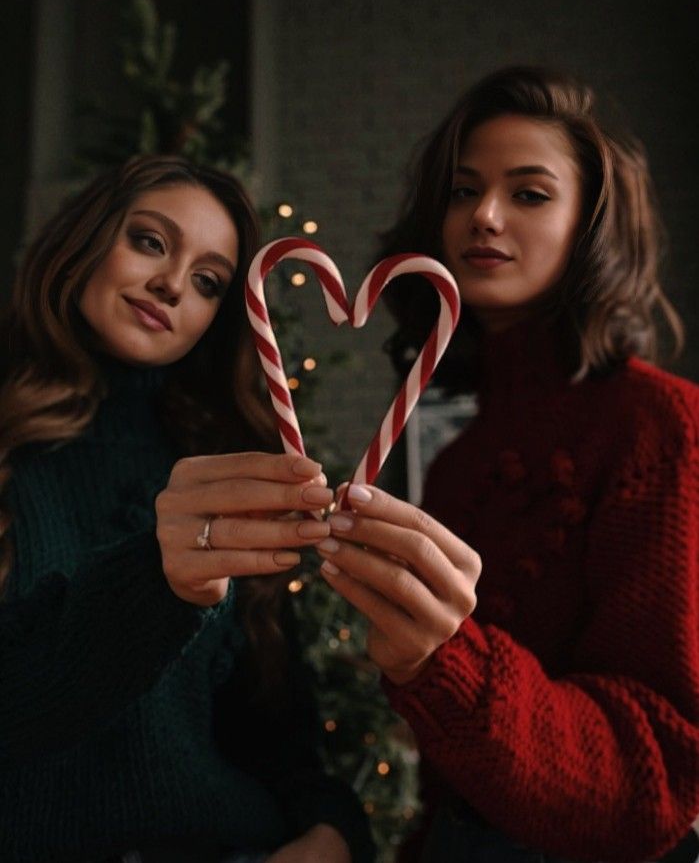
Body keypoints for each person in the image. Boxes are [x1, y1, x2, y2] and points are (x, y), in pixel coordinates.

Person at [315, 67, 699, 862]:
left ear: (591, 223)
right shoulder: (459, 457)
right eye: (462, 191)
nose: (483, 216)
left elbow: (654, 777)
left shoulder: (659, 428)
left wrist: (441, 659)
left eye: (528, 193)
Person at [0, 155, 374, 863]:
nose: (172, 285)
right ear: (84, 238)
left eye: (208, 283)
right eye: (148, 241)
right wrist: (159, 582)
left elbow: (280, 742)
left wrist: (331, 834)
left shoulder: (226, 468)